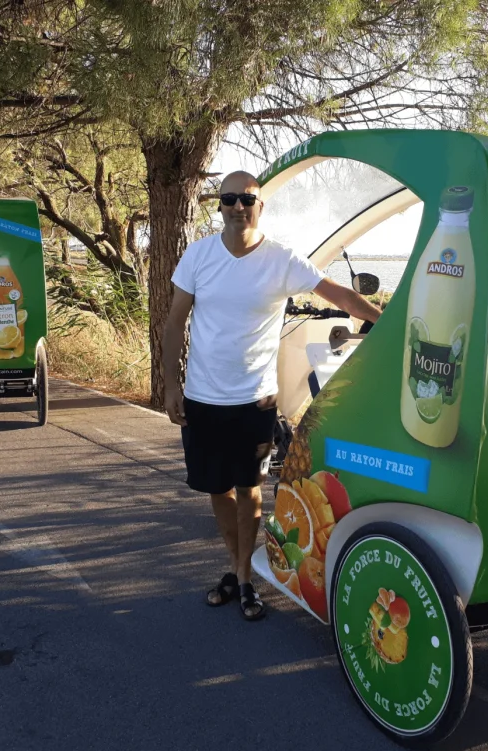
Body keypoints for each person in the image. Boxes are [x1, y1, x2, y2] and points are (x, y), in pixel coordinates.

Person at [162, 170, 382, 621]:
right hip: (203, 399)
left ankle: (243, 578)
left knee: (250, 489)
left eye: (248, 199)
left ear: (260, 207)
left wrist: (386, 320)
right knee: (218, 489)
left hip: (256, 400)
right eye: (230, 199)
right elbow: (175, 321)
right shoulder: (198, 255)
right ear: (219, 206)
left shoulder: (282, 259)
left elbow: (337, 293)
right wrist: (170, 384)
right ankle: (237, 566)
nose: (238, 207)